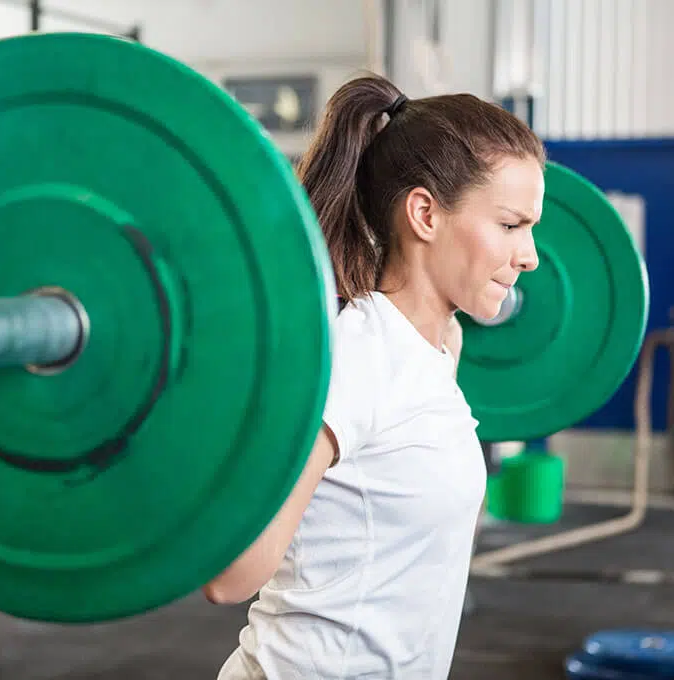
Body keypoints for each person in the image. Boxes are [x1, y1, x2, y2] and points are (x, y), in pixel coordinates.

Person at [205, 73, 546, 679]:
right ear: (424, 214)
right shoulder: (359, 357)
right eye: (511, 225)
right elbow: (232, 576)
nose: (530, 255)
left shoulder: (435, 349)